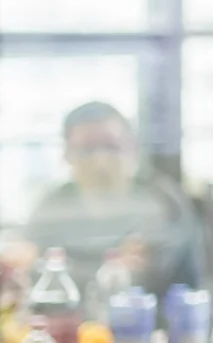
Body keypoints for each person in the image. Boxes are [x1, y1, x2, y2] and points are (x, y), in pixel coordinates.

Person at [24, 102, 203, 300]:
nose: (100, 162)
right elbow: (29, 267)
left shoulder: (161, 201)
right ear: (66, 154)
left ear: (133, 148)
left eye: (111, 147)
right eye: (86, 150)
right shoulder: (54, 207)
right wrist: (111, 267)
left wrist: (59, 267)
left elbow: (147, 273)